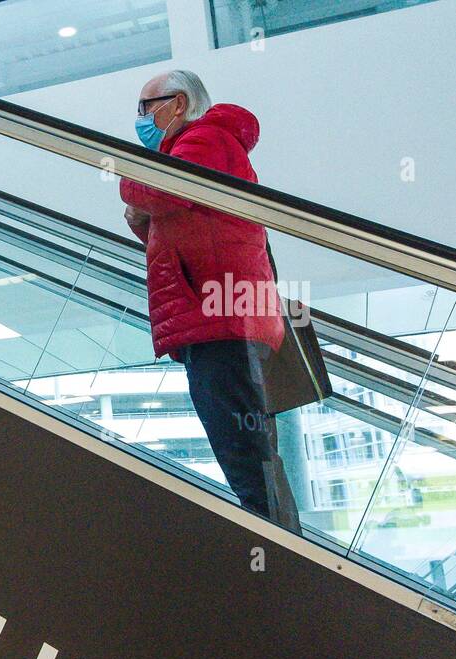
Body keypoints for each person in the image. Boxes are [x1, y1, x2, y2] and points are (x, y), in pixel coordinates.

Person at [120, 69, 301, 533]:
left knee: (243, 448)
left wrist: (129, 178)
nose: (141, 119)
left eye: (146, 106)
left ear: (178, 104)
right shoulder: (202, 146)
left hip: (219, 314)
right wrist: (143, 219)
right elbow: (181, 229)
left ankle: (283, 551)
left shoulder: (206, 139)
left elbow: (166, 189)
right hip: (218, 313)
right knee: (244, 445)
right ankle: (280, 542)